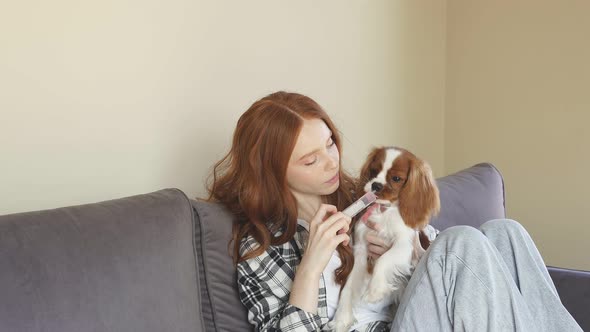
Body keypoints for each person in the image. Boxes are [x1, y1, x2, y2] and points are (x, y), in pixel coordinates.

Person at [206, 91, 582, 331]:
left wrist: (408, 252)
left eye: (330, 144)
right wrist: (308, 269)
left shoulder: (364, 197)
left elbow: (443, 265)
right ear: (273, 171)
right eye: (310, 160)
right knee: (461, 242)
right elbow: (455, 253)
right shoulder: (262, 246)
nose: (331, 162)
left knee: (504, 232)